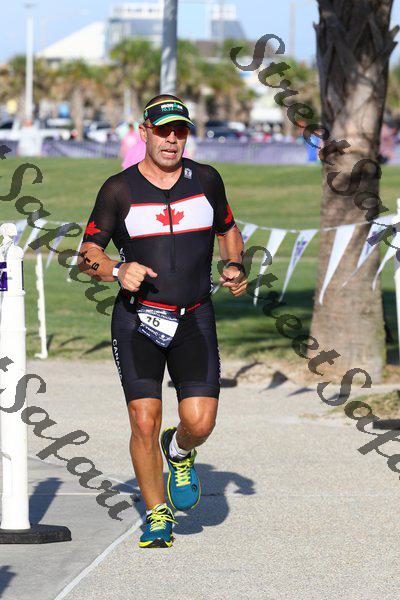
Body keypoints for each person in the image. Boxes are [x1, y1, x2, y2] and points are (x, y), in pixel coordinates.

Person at [78, 94, 247, 548]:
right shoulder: (119, 189)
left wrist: (235, 265)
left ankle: (179, 449)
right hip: (137, 321)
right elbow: (86, 254)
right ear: (145, 133)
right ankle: (157, 514)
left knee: (201, 422)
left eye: (180, 131)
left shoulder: (206, 180)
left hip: (194, 316)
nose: (172, 139)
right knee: (144, 420)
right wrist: (117, 270)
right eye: (163, 130)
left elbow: (228, 228)